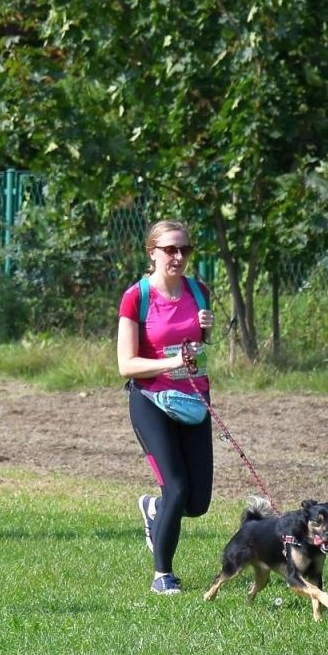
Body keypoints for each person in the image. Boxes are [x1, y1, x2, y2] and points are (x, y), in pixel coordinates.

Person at [117, 219, 216, 595]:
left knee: (197, 502)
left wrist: (206, 329)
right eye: (171, 249)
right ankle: (163, 575)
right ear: (152, 252)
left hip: (192, 399)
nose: (179, 256)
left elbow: (199, 349)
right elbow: (126, 364)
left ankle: (154, 511)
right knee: (175, 487)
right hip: (149, 400)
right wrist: (170, 364)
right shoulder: (136, 296)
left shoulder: (199, 290)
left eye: (185, 250)